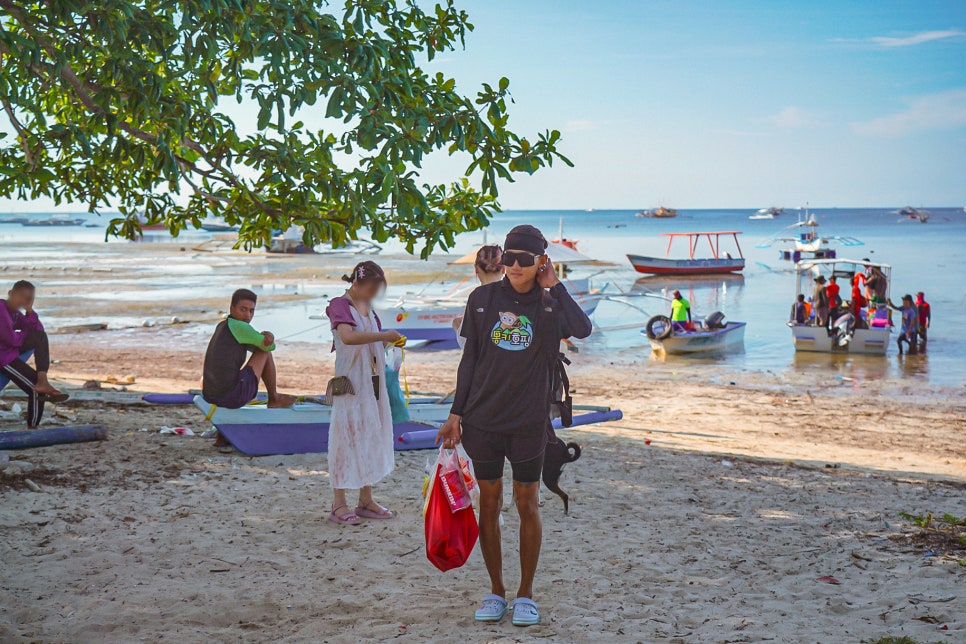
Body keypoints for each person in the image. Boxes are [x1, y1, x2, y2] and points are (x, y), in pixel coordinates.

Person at [436, 225, 592, 627]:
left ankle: (525, 594)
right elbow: (469, 360)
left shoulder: (550, 304)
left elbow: (583, 328)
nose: (516, 265)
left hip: (528, 423)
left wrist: (555, 285)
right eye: (510, 257)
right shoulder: (483, 299)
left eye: (526, 258)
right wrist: (455, 413)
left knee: (527, 503)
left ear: (542, 260)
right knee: (488, 504)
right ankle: (496, 590)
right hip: (482, 421)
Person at [324, 261, 403, 526]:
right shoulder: (339, 305)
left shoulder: (368, 309)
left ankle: (366, 499)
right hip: (350, 383)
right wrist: (383, 334)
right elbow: (347, 337)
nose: (371, 295)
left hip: (372, 382)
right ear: (356, 283)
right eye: (369, 289)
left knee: (370, 433)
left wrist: (390, 341)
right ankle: (338, 504)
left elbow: (372, 340)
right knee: (345, 438)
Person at [202, 289, 296, 410]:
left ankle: (274, 397)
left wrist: (261, 340)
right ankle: (274, 398)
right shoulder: (240, 326)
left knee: (261, 350)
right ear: (232, 309)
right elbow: (268, 347)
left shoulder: (223, 325)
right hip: (230, 398)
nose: (248, 315)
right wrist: (270, 336)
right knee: (264, 352)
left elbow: (257, 346)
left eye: (251, 311)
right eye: (243, 309)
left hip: (210, 396)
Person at [0, 281, 68, 428]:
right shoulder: (1, 308)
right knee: (34, 388)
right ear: (11, 294)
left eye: (28, 299)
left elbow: (38, 329)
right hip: (3, 358)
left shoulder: (15, 314)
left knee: (40, 337)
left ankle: (42, 381)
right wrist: (27, 334)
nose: (22, 301)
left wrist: (29, 310)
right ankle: (32, 428)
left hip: (8, 353)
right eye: (21, 296)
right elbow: (11, 339)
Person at [452, 245, 505, 350]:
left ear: (476, 269)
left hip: (484, 361)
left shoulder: (477, 296)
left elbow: (467, 343)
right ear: (503, 269)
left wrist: (457, 325)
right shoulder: (514, 294)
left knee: (456, 322)